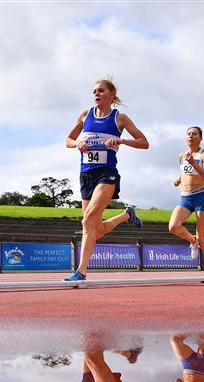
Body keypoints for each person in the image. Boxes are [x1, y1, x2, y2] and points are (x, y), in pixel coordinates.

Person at [63, 78, 149, 281]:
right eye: (94, 91)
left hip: (106, 173)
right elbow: (67, 140)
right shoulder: (85, 115)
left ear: (111, 95)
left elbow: (144, 142)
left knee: (88, 219)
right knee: (95, 229)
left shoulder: (120, 118)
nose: (96, 94)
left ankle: (80, 271)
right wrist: (77, 144)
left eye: (101, 91)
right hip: (86, 175)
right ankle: (126, 216)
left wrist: (121, 140)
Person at [169, 126, 204, 280]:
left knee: (203, 236)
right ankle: (192, 241)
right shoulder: (182, 155)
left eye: (194, 134)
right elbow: (185, 172)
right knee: (173, 226)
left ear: (200, 138)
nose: (190, 136)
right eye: (188, 134)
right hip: (185, 197)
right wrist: (178, 179)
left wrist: (194, 163)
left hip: (200, 196)